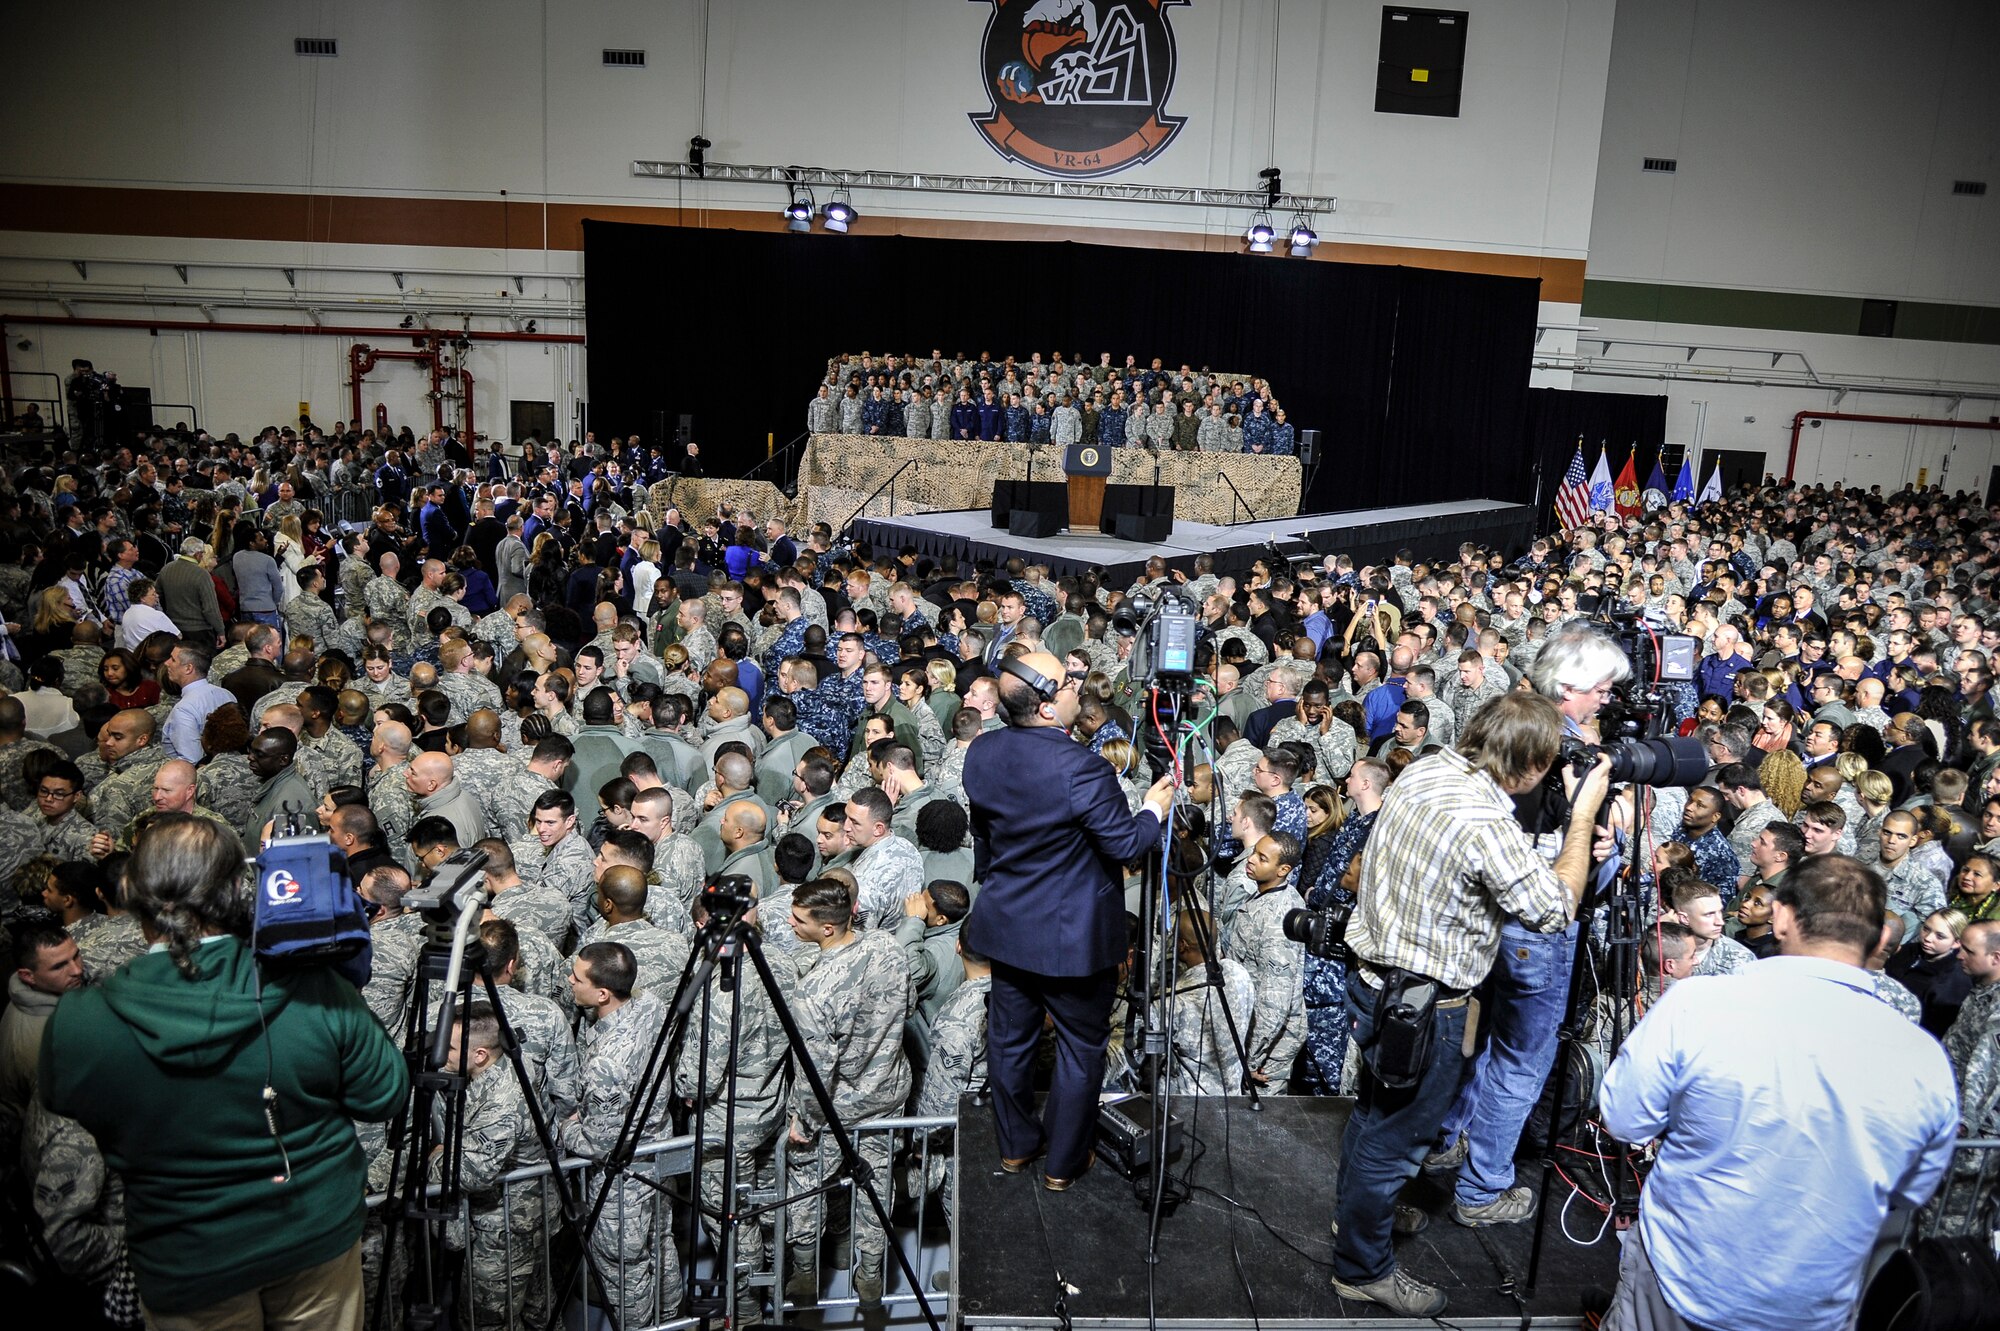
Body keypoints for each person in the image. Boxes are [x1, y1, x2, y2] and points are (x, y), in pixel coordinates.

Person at [38, 813, 409, 1326]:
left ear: (131, 895)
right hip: (313, 1239)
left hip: (187, 1260)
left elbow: (66, 1103)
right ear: (240, 891)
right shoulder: (313, 990)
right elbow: (384, 1095)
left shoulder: (81, 1023)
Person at [1331, 693, 1610, 1317]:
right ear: (1536, 765)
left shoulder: (1429, 767)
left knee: (1373, 1116)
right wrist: (1583, 814)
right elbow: (1553, 908)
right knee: (1397, 1141)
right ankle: (1361, 1267)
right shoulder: (1486, 821)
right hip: (1425, 1008)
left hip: (1377, 983)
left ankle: (1356, 1222)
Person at [1597, 855, 1958, 1331]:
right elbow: (1911, 1190)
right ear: (1884, 937)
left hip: (1680, 1281)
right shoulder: (1923, 1058)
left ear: (1781, 916)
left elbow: (1624, 1119)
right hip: (1809, 1304)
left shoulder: (1697, 1005)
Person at [960, 651, 1174, 1192]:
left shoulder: (981, 751)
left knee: (1010, 1043)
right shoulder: (1083, 767)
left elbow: (986, 835)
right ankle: (1063, 1164)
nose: (1079, 687)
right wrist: (1152, 809)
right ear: (1050, 704)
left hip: (1008, 928)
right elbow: (1127, 844)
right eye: (1070, 681)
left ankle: (1016, 1148)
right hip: (1072, 940)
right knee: (1081, 1050)